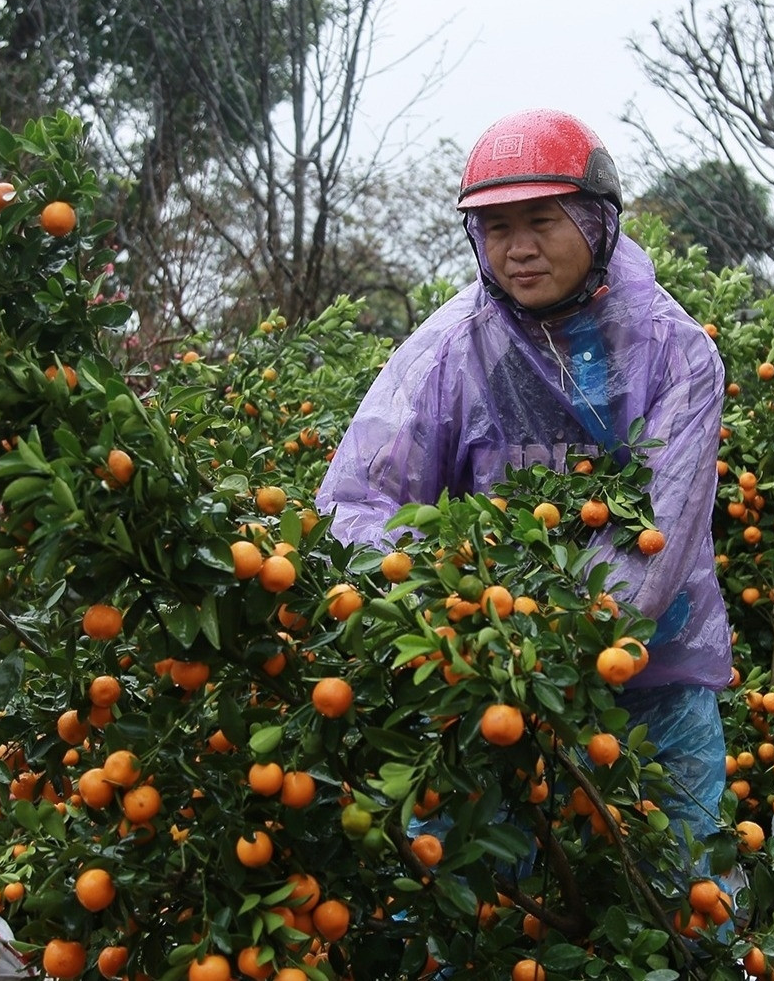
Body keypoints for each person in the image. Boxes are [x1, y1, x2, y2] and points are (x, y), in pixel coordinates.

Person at [314, 109, 733, 870]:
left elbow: (655, 546)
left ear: (596, 221)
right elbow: (354, 504)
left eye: (542, 220)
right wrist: (450, 604)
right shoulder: (448, 352)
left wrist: (542, 632)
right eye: (497, 227)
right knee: (481, 907)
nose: (519, 248)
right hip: (484, 688)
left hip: (649, 680)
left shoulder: (678, 357)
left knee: (677, 904)